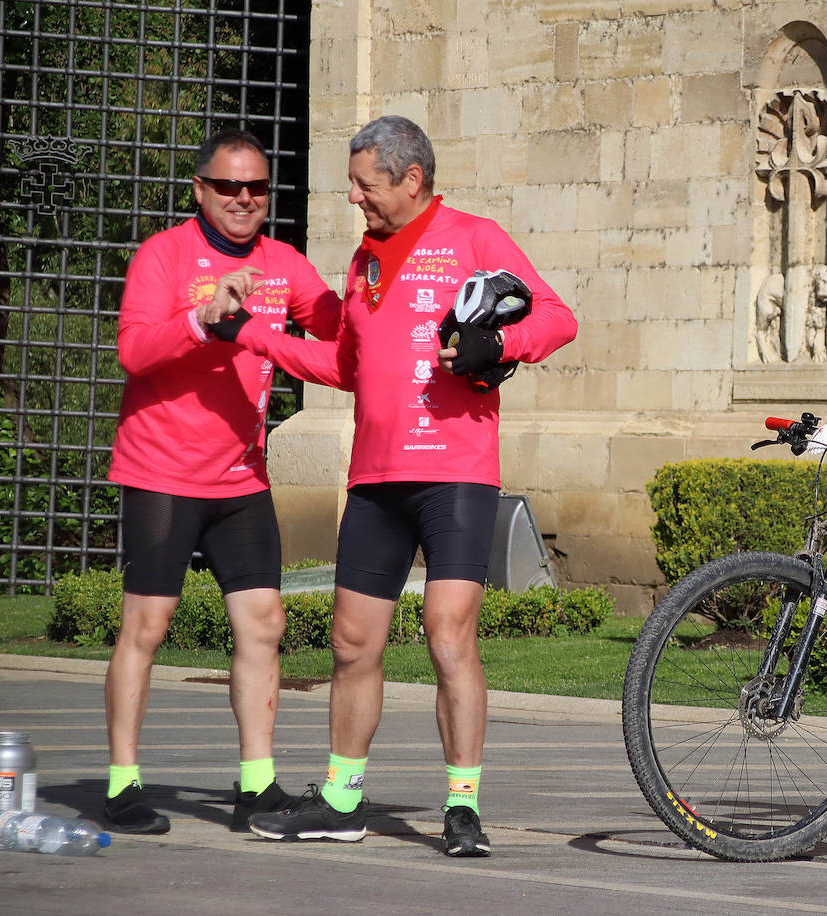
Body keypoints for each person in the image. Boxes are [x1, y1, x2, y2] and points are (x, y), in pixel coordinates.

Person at [213, 115, 577, 857]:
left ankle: (462, 806)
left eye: (364, 184)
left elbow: (559, 318)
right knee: (351, 643)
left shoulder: (476, 237)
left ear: (412, 179)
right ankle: (343, 798)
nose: (354, 197)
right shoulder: (364, 262)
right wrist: (248, 333)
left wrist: (498, 343)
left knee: (448, 634)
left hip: (454, 475)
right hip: (376, 479)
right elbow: (345, 366)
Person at [104, 129, 342, 833]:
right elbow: (132, 350)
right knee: (146, 626)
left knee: (265, 623)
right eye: (229, 186)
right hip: (162, 473)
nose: (244, 199)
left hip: (240, 478)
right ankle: (122, 784)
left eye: (257, 187)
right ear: (200, 189)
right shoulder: (164, 255)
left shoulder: (282, 264)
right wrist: (202, 320)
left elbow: (337, 331)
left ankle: (257, 786)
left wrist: (385, 295)